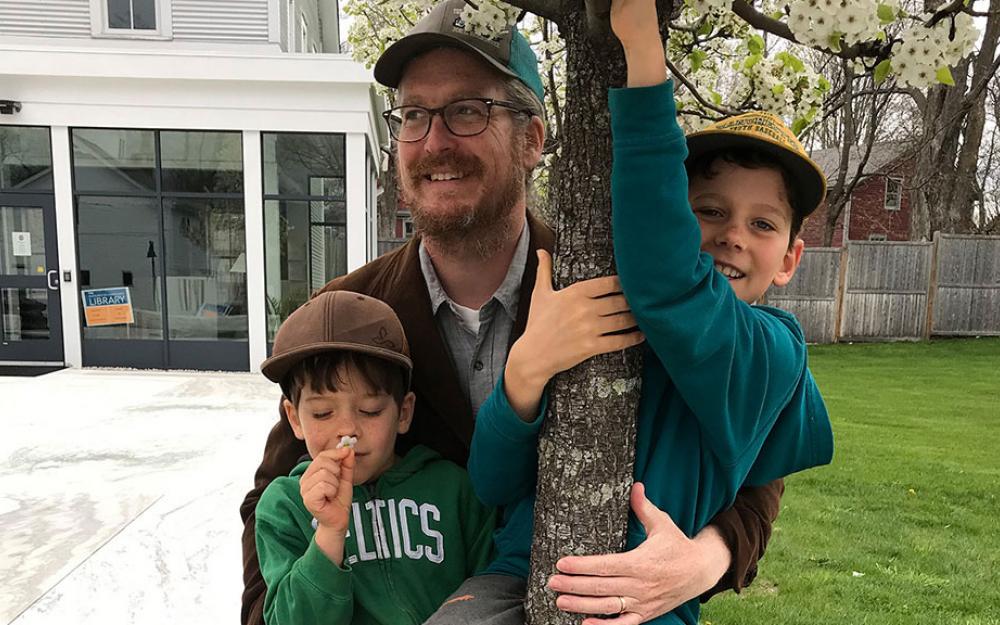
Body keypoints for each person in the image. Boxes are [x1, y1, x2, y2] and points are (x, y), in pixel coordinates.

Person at [239, 1, 787, 623]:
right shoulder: (348, 316)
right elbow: (277, 499)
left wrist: (705, 558)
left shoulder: (616, 293)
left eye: (468, 111)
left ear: (532, 137)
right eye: (413, 115)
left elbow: (751, 445)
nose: (434, 141)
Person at [422, 1, 836, 624]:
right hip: (517, 576)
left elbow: (666, 277)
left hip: (643, 600)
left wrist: (644, 56)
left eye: (763, 223)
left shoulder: (772, 354)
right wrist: (524, 378)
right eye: (710, 210)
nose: (733, 237)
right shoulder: (591, 315)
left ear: (790, 258)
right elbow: (493, 483)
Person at [254, 290, 497, 625]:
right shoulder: (284, 506)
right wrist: (329, 532)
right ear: (294, 418)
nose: (348, 431)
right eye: (323, 413)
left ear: (403, 412)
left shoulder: (456, 490)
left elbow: (494, 592)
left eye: (370, 410)